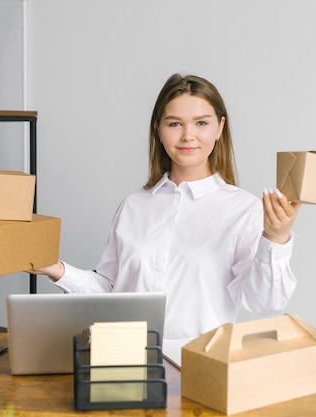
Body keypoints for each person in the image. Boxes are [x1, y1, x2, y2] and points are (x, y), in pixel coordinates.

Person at [28, 73, 301, 361]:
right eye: (174, 124)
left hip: (201, 366)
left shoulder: (243, 210)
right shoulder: (134, 205)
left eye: (202, 123)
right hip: (123, 359)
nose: (188, 136)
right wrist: (56, 269)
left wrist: (275, 237)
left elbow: (264, 302)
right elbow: (110, 290)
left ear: (220, 127)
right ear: (158, 129)